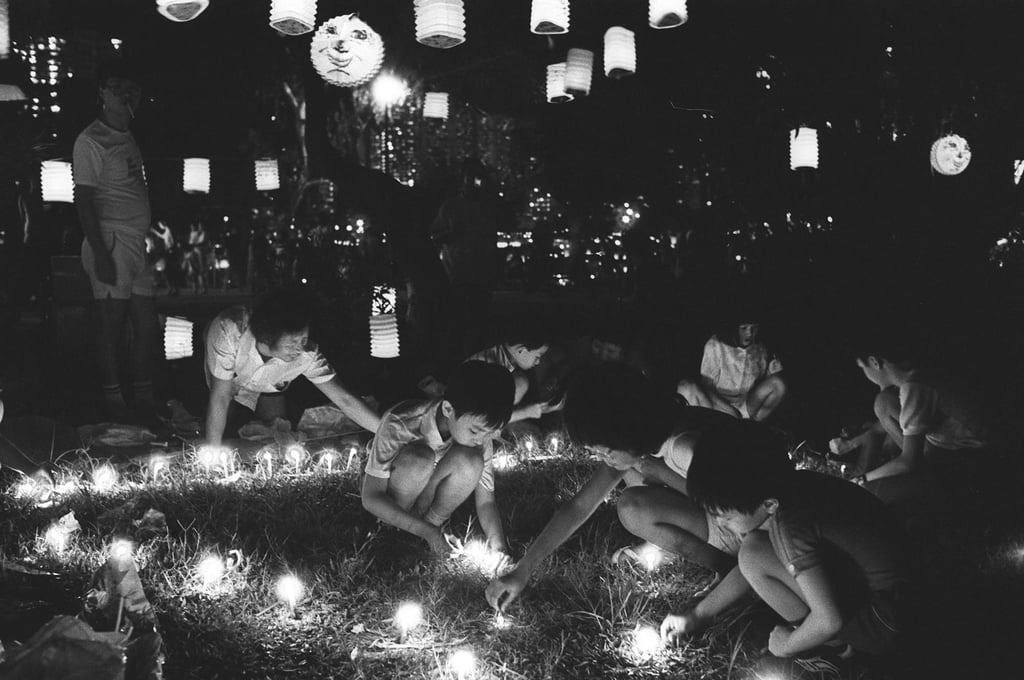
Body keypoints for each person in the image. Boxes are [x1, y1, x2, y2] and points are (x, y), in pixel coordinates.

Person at [661, 421, 912, 673]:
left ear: (768, 504)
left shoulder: (790, 525)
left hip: (887, 621)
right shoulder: (793, 487)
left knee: (752, 554)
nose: (721, 523)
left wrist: (787, 645)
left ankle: (833, 653)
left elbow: (829, 619)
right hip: (902, 588)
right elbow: (754, 563)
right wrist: (699, 614)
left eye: (726, 517)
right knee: (754, 550)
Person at [485, 364, 737, 613]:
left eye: (604, 450)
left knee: (634, 499)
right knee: (632, 504)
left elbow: (731, 505)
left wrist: (662, 474)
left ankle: (733, 571)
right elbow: (579, 507)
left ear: (626, 428)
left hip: (746, 530)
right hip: (721, 520)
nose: (603, 458)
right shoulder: (639, 442)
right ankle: (727, 567)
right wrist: (523, 569)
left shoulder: (686, 445)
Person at [73, 59, 159, 424]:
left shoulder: (129, 135)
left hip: (136, 242)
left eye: (131, 87)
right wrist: (103, 254)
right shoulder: (91, 140)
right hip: (110, 240)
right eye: (116, 87)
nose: (126, 94)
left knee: (146, 324)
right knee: (111, 324)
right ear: (102, 94)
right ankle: (113, 399)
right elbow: (84, 200)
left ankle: (143, 393)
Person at [361, 360, 515, 556]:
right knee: (421, 459)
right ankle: (389, 531)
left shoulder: (480, 436)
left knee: (471, 461)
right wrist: (428, 533)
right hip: (395, 494)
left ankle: (429, 527)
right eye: (476, 430)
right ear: (448, 409)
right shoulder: (401, 422)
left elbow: (486, 502)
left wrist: (500, 548)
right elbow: (371, 498)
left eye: (490, 432)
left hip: (429, 498)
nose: (482, 439)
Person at [203, 288, 380, 446]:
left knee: (276, 437)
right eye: (293, 342)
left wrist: (385, 431)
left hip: (269, 383)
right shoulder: (230, 331)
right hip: (226, 375)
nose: (300, 348)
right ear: (268, 336)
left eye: (303, 339)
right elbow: (220, 397)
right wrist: (212, 454)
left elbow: (345, 399)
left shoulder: (307, 355)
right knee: (224, 432)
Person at [835, 332, 990, 505]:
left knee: (871, 495)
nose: (865, 374)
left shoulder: (915, 386)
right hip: (950, 443)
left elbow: (908, 461)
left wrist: (861, 481)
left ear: (874, 362)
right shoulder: (914, 374)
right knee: (884, 403)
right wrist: (852, 443)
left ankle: (936, 488)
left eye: (862, 368)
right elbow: (880, 427)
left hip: (972, 456)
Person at [429, 159, 508, 354]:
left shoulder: (488, 208)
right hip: (458, 274)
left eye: (479, 178)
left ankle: (473, 359)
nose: (475, 183)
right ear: (463, 180)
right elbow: (434, 235)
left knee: (478, 322)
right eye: (471, 178)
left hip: (481, 275)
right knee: (458, 322)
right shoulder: (451, 207)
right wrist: (452, 234)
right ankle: (458, 359)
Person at [676, 319, 787, 421]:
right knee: (685, 386)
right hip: (717, 405)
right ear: (735, 327)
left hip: (744, 406)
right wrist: (731, 412)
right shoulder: (715, 345)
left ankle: (752, 427)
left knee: (778, 383)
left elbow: (759, 382)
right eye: (744, 328)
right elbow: (707, 388)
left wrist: (771, 373)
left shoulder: (760, 348)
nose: (749, 333)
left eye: (754, 328)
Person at [464, 328, 552, 423]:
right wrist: (525, 413)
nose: (538, 362)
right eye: (538, 356)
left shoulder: (498, 356)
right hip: (464, 419)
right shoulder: (490, 367)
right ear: (521, 350)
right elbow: (480, 420)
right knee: (521, 383)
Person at [184, 220, 209, 294]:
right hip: (195, 252)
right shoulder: (198, 233)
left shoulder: (204, 233)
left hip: (200, 253)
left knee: (202, 270)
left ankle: (204, 288)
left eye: (200, 226)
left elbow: (202, 242)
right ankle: (196, 288)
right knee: (195, 270)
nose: (199, 227)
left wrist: (194, 244)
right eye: (199, 226)